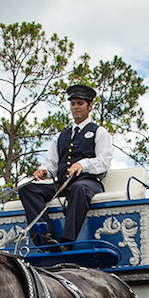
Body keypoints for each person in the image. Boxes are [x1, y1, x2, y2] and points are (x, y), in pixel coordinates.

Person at [18, 84, 113, 249]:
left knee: (78, 189)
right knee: (27, 189)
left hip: (88, 181)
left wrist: (83, 164)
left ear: (90, 106)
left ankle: (68, 242)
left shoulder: (99, 132)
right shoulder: (61, 136)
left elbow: (104, 161)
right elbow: (51, 163)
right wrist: (44, 171)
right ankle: (45, 237)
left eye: (80, 103)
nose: (75, 107)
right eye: (73, 104)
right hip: (63, 183)